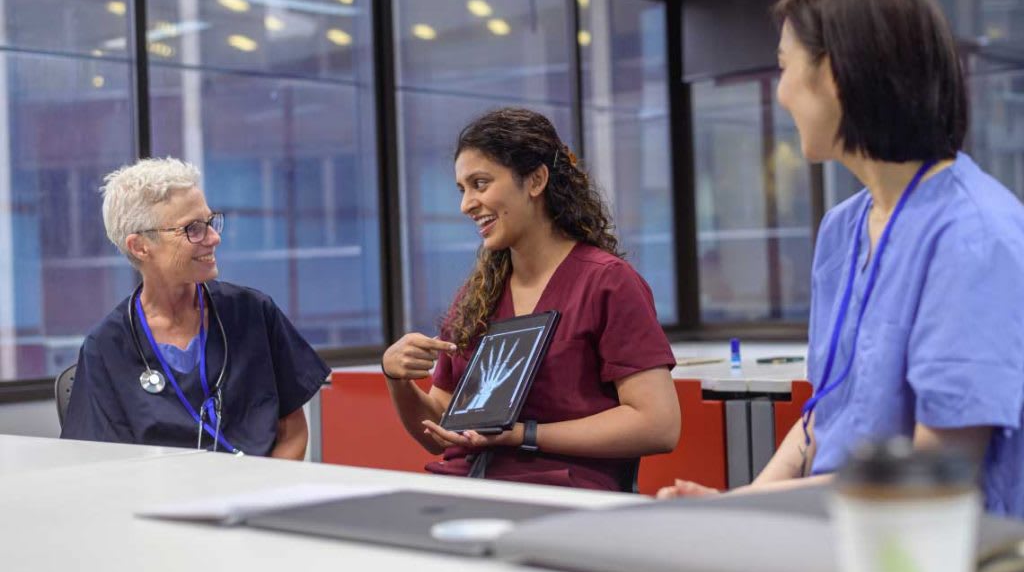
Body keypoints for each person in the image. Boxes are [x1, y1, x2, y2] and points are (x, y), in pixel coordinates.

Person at [659, 0, 1024, 516]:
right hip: (840, 537)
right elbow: (824, 415)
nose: (780, 93)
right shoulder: (843, 229)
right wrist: (748, 502)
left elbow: (934, 477)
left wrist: (756, 511)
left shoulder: (974, 236)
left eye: (784, 65)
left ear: (834, 73)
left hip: (943, 564)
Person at [382, 108, 680, 491]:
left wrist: (522, 434)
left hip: (563, 498)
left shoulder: (608, 283)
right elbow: (441, 429)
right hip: (468, 489)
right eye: (462, 189)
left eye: (480, 183)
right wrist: (397, 379)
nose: (466, 204)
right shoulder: (476, 296)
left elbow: (658, 424)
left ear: (536, 180)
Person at [60, 157, 329, 458]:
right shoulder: (107, 348)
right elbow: (104, 465)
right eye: (193, 229)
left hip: (259, 495)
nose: (214, 238)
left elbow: (292, 432)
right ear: (140, 246)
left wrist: (264, 497)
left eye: (210, 222)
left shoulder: (254, 313)